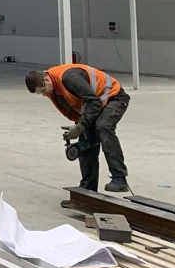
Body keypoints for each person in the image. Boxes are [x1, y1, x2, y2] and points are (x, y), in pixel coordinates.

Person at [25, 64, 130, 193]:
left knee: (103, 127)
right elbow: (79, 107)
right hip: (96, 104)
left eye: (43, 91)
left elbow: (94, 102)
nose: (44, 94)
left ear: (46, 79)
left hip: (113, 97)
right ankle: (88, 188)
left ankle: (119, 178)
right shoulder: (53, 89)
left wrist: (80, 126)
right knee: (86, 141)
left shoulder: (69, 78)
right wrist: (79, 127)